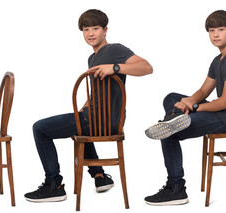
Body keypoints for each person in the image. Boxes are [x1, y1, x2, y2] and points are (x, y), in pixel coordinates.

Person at [24, 9, 153, 202]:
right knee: (74, 122)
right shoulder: (92, 58)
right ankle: (99, 176)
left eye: (95, 28)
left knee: (40, 129)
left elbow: (147, 67)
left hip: (105, 119)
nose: (91, 33)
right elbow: (96, 94)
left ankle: (54, 185)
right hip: (98, 117)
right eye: (86, 29)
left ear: (105, 30)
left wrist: (115, 68)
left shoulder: (115, 50)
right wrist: (83, 109)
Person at [144, 10, 226, 205]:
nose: (216, 35)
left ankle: (176, 188)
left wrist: (194, 107)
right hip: (222, 112)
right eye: (212, 31)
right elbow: (204, 90)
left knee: (169, 133)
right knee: (171, 97)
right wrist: (189, 101)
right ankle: (174, 118)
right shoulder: (219, 59)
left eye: (220, 29)